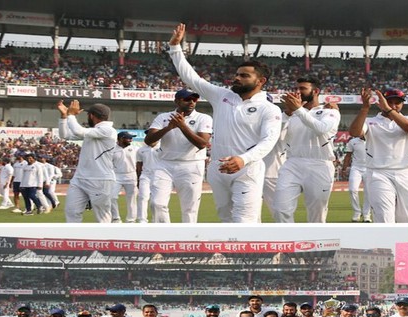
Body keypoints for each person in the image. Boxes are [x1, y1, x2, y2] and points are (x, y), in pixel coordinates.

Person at [168, 24, 282, 223]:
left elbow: (268, 141)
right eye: (237, 74)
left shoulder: (269, 108)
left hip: (247, 169)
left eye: (244, 75)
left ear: (261, 81)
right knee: (225, 218)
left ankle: (251, 254)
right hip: (218, 169)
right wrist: (176, 48)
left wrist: (243, 159)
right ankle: (234, 255)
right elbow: (191, 78)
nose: (237, 78)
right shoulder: (222, 95)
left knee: (244, 220)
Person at [348, 88, 408, 223]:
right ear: (381, 103)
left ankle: (405, 245)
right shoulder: (370, 121)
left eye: (397, 103)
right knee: (384, 218)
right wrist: (364, 109)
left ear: (403, 104)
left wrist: (389, 110)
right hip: (378, 173)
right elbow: (354, 132)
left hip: (407, 173)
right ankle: (386, 244)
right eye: (389, 102)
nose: (393, 106)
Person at [273, 77, 341, 223]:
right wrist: (287, 113)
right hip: (292, 163)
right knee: (280, 209)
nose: (298, 92)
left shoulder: (329, 111)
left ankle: (316, 245)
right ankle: (289, 242)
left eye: (302, 88)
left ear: (315, 91)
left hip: (320, 164)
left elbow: (321, 129)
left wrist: (298, 110)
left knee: (316, 213)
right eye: (296, 88)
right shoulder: (292, 114)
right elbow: (276, 136)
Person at [145, 88, 213, 223]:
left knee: (189, 209)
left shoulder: (203, 118)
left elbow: (202, 144)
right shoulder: (163, 117)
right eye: (187, 99)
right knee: (157, 203)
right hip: (164, 164)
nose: (192, 102)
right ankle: (164, 237)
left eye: (194, 99)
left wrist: (182, 126)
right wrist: (168, 127)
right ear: (177, 101)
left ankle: (188, 239)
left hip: (191, 165)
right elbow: (149, 140)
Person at [57, 100, 117, 223]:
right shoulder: (93, 131)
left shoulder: (108, 130)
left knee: (102, 217)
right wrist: (64, 117)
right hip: (79, 179)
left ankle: (104, 241)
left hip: (100, 180)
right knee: (72, 212)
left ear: (91, 116)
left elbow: (78, 130)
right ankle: (74, 240)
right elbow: (65, 135)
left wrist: (71, 115)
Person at [342, 135, 371, 222]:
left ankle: (366, 214)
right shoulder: (353, 141)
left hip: (370, 168)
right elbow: (348, 155)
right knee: (352, 189)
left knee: (369, 192)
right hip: (356, 168)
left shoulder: (373, 139)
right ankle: (357, 212)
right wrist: (344, 168)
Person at [110, 131, 139, 223]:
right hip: (116, 175)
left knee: (131, 199)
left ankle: (131, 220)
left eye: (131, 138)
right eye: (128, 138)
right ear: (121, 139)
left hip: (131, 175)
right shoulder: (112, 149)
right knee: (112, 197)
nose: (130, 140)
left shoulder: (135, 148)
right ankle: (115, 219)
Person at [135, 130, 162, 223]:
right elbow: (139, 164)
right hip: (145, 176)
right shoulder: (141, 150)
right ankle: (142, 220)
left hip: (159, 176)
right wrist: (138, 179)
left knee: (156, 200)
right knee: (142, 197)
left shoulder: (163, 147)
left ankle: (156, 220)